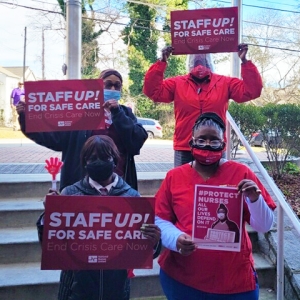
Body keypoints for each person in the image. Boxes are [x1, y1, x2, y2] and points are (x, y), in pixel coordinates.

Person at [155, 112, 276, 300]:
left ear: (223, 144)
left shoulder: (241, 173)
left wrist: (254, 200)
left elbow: (264, 225)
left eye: (214, 140)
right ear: (191, 142)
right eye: (202, 140)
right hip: (182, 279)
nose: (207, 145)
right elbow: (160, 218)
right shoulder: (174, 176)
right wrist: (175, 238)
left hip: (234, 282)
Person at [37, 135, 161, 300]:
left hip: (116, 288)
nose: (99, 161)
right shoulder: (69, 195)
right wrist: (50, 215)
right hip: (76, 288)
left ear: (115, 161)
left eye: (105, 157)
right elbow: (51, 245)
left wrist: (154, 240)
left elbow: (145, 252)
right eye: (93, 158)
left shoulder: (133, 199)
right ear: (85, 163)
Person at [17, 69, 148, 191]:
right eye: (108, 85)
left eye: (117, 85)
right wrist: (26, 117)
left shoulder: (125, 113)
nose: (113, 88)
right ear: (98, 87)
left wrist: (117, 114)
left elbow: (137, 140)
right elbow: (54, 139)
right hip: (81, 185)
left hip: (118, 185)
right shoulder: (79, 113)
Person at [143, 43, 263, 166]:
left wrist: (244, 61)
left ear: (210, 60)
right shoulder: (177, 83)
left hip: (215, 146)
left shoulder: (224, 82)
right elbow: (152, 91)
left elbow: (252, 91)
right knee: (183, 184)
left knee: (215, 184)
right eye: (195, 59)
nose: (199, 62)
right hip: (185, 147)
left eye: (204, 58)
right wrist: (161, 62)